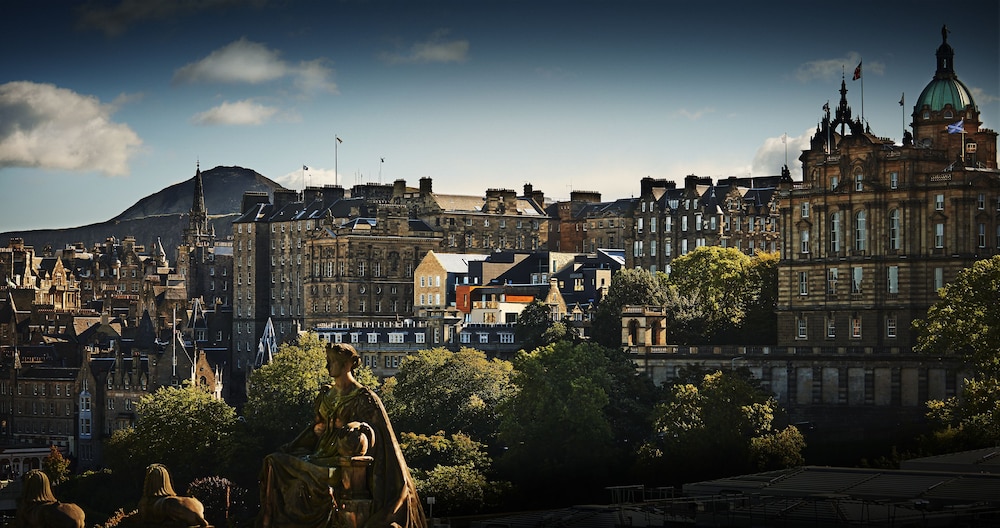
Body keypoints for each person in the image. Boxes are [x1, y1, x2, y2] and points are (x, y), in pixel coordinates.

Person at [257, 343, 426, 528]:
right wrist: (292, 446)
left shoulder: (363, 398)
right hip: (317, 457)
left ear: (348, 364)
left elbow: (379, 437)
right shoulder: (325, 394)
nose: (327, 366)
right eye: (327, 361)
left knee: (300, 480)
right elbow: (315, 430)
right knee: (273, 462)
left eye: (332, 362)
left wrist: (358, 427)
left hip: (341, 463)